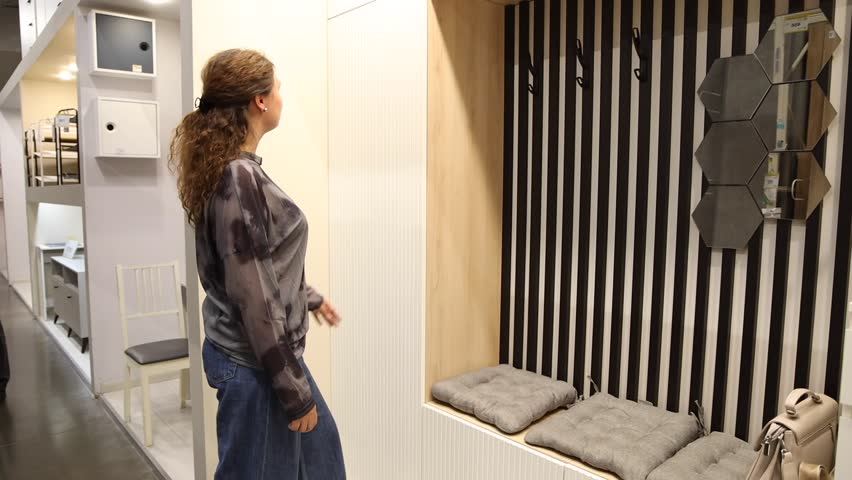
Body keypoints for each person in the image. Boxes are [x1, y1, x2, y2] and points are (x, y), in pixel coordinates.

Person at [169, 49, 346, 479]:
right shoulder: (237, 176)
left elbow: (256, 266)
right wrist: (294, 393)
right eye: (278, 87)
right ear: (259, 101)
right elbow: (252, 292)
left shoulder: (232, 172)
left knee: (323, 461)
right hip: (256, 363)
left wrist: (309, 297)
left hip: (268, 355)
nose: (282, 94)